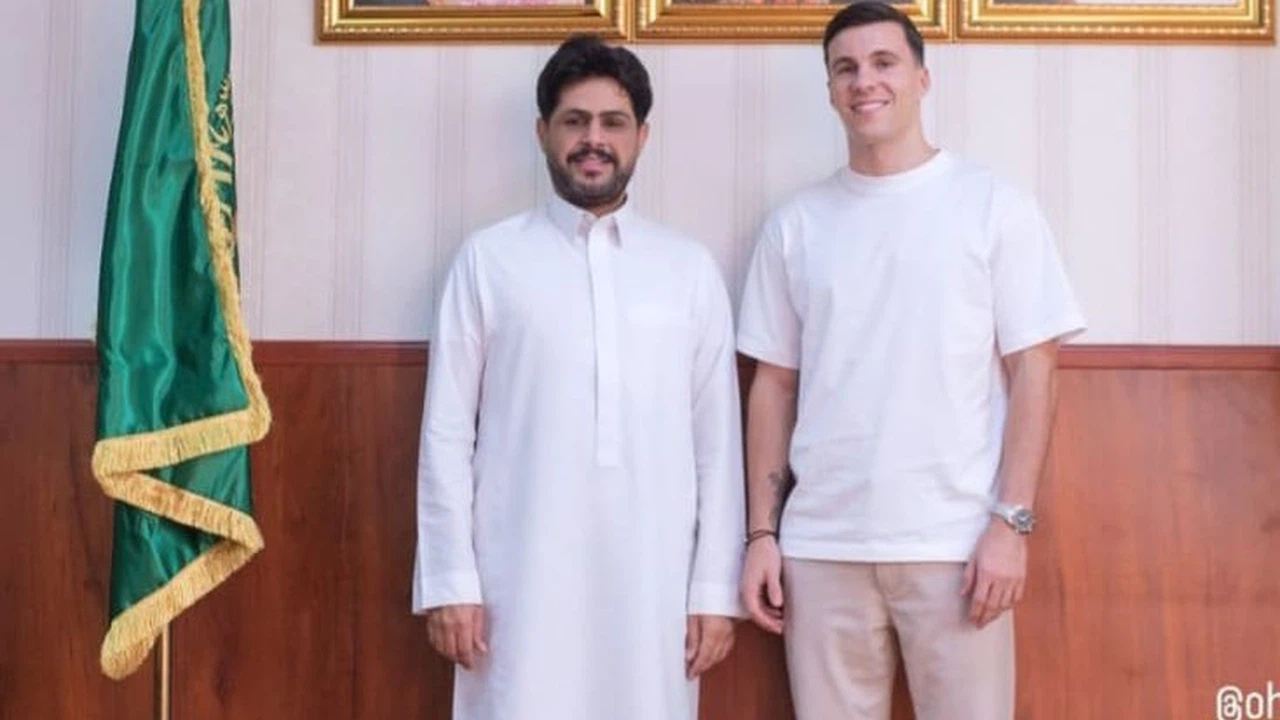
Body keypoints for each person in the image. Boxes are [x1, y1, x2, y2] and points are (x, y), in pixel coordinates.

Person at [735, 3, 1087, 719]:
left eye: (883, 62)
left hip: (957, 546)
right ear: (830, 90)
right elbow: (773, 386)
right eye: (845, 68)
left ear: (922, 78)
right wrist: (762, 536)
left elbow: (1035, 370)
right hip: (821, 548)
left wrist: (1010, 524)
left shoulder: (994, 206)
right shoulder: (794, 225)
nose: (864, 81)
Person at [411, 34, 745, 720]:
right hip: (515, 584)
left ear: (642, 136)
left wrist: (714, 590)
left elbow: (717, 446)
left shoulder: (687, 270)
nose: (594, 139)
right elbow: (445, 433)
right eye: (575, 121)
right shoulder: (488, 261)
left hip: (654, 586)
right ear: (543, 133)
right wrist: (449, 579)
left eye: (613, 122)